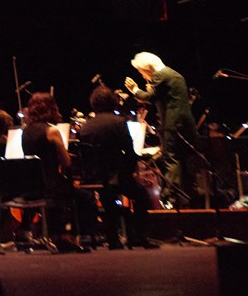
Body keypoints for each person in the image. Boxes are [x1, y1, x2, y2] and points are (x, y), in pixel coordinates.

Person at [76, 85, 154, 249]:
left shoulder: (85, 127)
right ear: (113, 102)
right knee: (142, 197)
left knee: (107, 196)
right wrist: (131, 171)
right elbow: (129, 151)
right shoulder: (119, 122)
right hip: (116, 176)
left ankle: (113, 238)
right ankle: (139, 237)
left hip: (94, 178)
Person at [124, 51, 197, 204]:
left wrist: (135, 90)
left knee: (171, 158)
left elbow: (149, 97)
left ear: (147, 68)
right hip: (185, 124)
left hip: (172, 125)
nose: (142, 75)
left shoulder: (160, 75)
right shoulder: (175, 75)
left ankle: (172, 198)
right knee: (183, 159)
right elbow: (162, 97)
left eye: (141, 71)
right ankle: (188, 196)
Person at [20, 92, 82, 252]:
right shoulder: (52, 131)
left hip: (31, 186)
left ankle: (52, 234)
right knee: (82, 195)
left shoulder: (25, 132)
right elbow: (66, 162)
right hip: (49, 186)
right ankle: (68, 236)